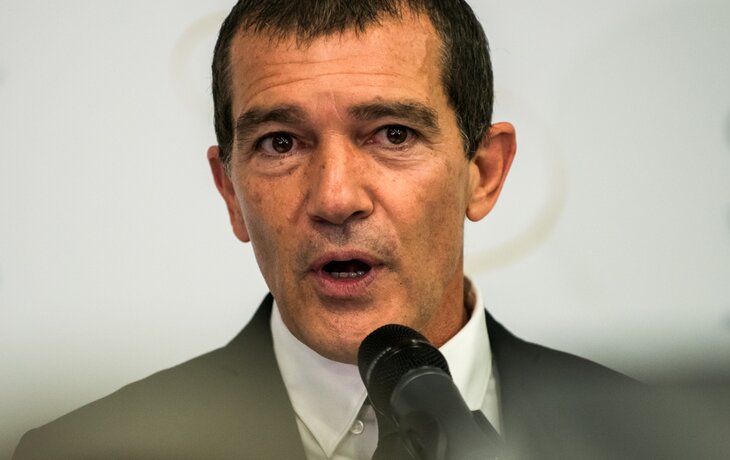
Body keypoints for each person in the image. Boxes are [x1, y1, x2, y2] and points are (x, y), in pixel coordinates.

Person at [14, 1, 635, 458]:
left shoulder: (651, 437)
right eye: (281, 143)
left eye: (393, 134)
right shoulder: (87, 452)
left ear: (484, 173)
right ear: (231, 191)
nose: (335, 198)